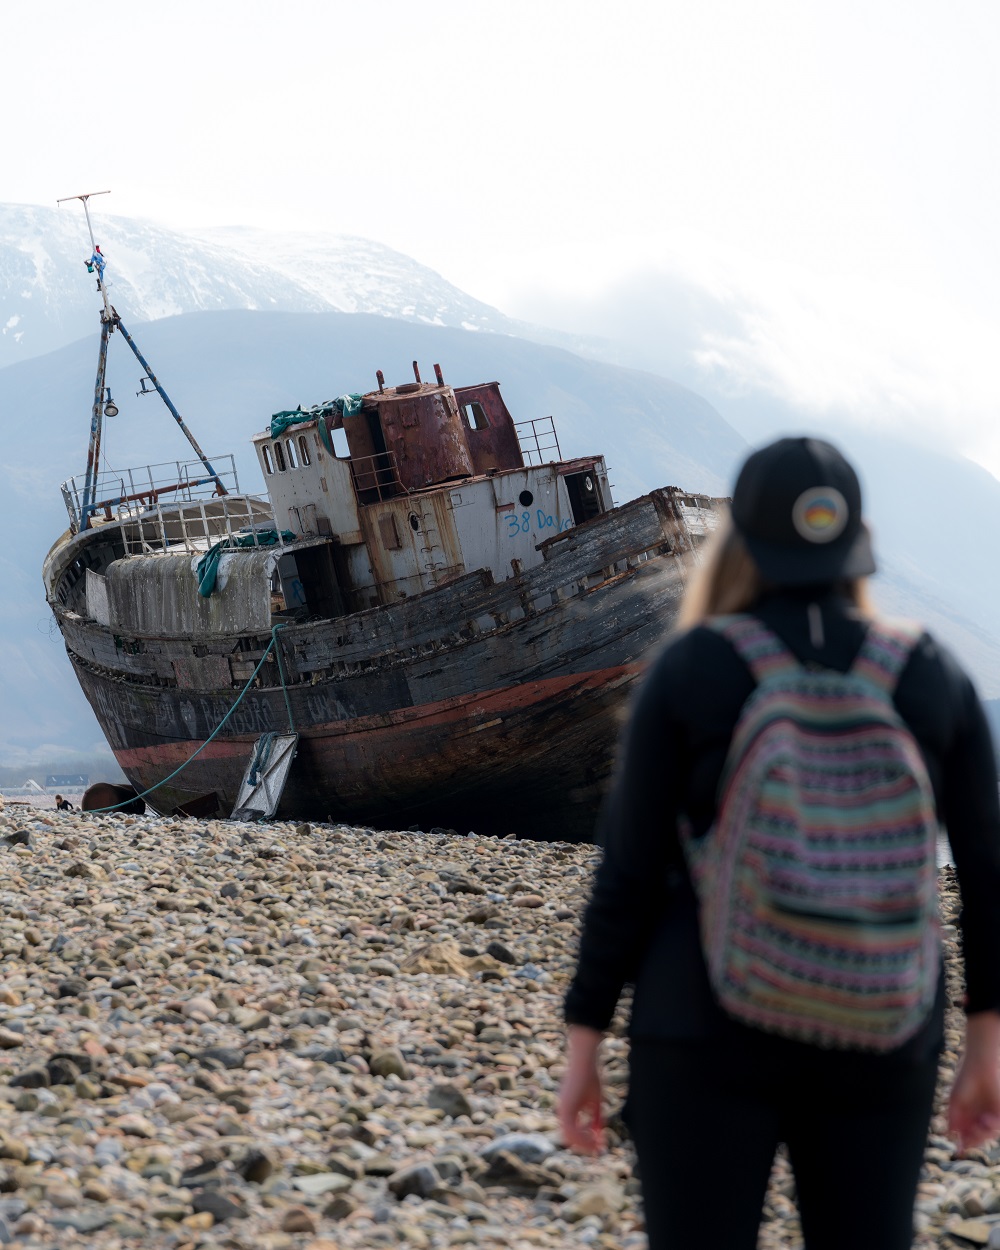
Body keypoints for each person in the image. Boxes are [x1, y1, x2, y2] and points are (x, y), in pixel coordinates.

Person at [559, 436, 1000, 1250]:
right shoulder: (930, 672)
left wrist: (585, 1036)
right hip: (883, 1022)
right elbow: (988, 872)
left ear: (742, 543)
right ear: (856, 545)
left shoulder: (692, 668)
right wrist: (987, 1040)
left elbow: (627, 868)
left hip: (700, 1021)